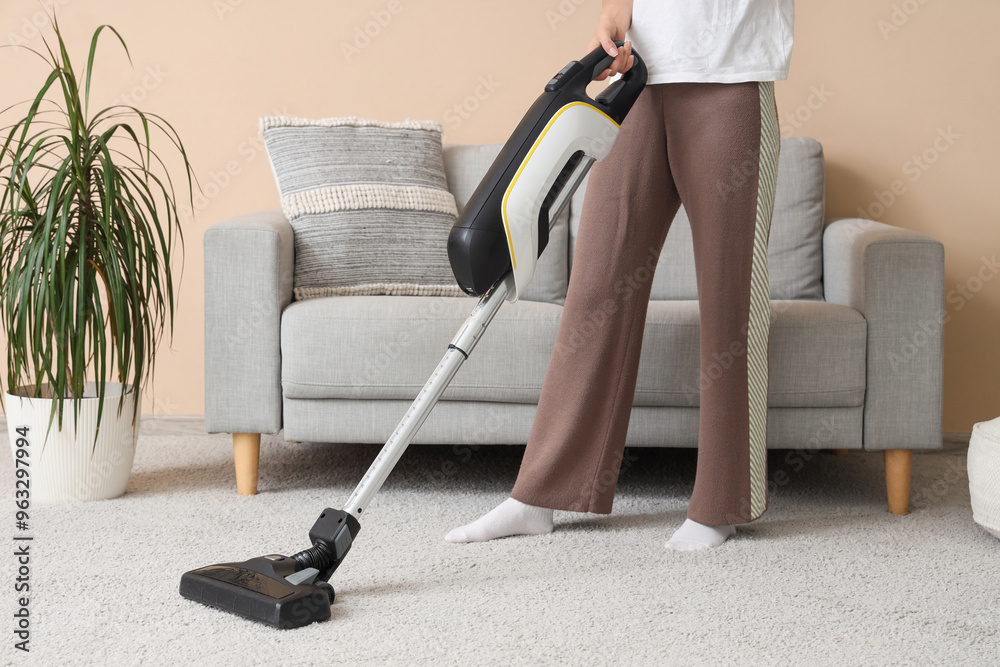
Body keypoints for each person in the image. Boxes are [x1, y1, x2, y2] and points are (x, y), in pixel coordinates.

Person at [446, 0, 794, 551]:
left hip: (730, 78)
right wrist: (614, 11)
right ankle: (540, 494)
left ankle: (722, 504)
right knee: (596, 290)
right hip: (641, 77)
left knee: (731, 298)